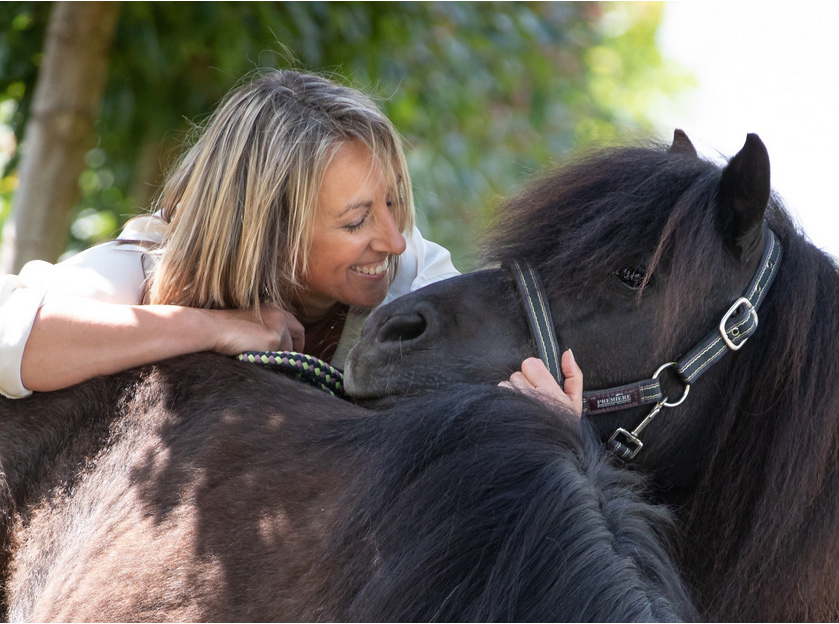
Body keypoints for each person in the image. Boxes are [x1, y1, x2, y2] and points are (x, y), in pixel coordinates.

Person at [0, 69, 581, 413]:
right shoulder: (152, 263)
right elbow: (9, 334)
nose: (394, 241)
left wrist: (548, 420)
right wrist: (209, 327)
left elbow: (507, 367)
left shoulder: (409, 276)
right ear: (269, 234)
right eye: (355, 222)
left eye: (395, 204)